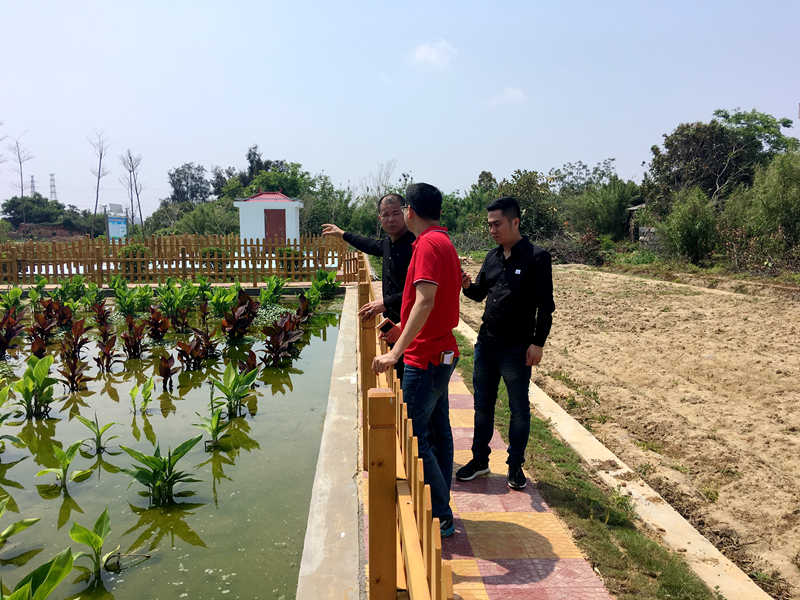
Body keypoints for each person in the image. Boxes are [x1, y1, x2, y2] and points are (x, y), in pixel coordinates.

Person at [372, 183, 461, 537]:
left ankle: (439, 513)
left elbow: (425, 300)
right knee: (438, 430)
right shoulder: (443, 241)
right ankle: (442, 504)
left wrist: (397, 352)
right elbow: (426, 305)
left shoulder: (426, 244)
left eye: (401, 209)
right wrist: (400, 332)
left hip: (425, 357)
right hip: (440, 350)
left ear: (410, 211)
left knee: (414, 434)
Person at [456, 196, 555, 490]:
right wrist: (467, 286)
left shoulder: (537, 257)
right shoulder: (492, 257)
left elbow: (545, 306)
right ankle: (480, 460)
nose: (492, 230)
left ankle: (515, 466)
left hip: (517, 348)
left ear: (515, 222)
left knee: (518, 408)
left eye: (497, 224)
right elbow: (479, 294)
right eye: (489, 225)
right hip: (487, 344)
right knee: (482, 406)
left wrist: (538, 343)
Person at [322, 193, 415, 380]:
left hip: (413, 325)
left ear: (406, 213)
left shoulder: (415, 245)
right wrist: (342, 234)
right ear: (380, 218)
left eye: (396, 213)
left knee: (411, 378)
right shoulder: (388, 243)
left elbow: (419, 292)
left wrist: (385, 302)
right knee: (398, 377)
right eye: (385, 215)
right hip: (394, 322)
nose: (391, 219)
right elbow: (369, 244)